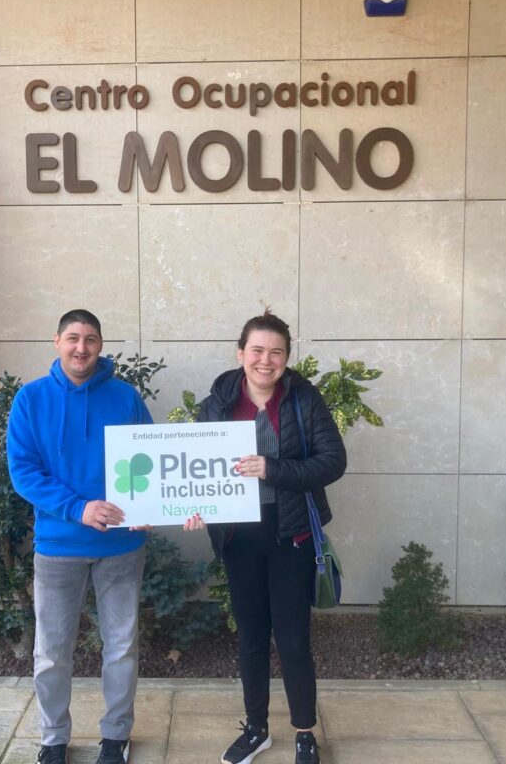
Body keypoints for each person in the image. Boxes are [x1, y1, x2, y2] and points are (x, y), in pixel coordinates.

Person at [184, 309, 346, 764]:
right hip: (239, 538)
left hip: (291, 535)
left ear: (287, 358)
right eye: (257, 350)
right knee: (251, 638)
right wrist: (192, 505)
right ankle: (256, 729)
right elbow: (195, 470)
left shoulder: (303, 400)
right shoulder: (216, 403)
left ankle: (304, 732)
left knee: (293, 640)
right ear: (240, 354)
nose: (265, 360)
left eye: (276, 352)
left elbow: (332, 461)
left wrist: (273, 469)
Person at [8, 309, 153, 764]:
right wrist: (78, 507)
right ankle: (53, 739)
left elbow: (151, 458)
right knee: (51, 653)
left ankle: (116, 736)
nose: (81, 347)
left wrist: (152, 506)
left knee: (122, 646)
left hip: (120, 548)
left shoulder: (126, 397)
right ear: (56, 342)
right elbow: (23, 472)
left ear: (101, 345)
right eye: (73, 338)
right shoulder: (31, 400)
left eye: (91, 339)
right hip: (58, 547)